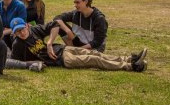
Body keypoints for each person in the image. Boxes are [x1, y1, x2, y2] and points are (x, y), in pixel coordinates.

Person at [9, 17, 147, 72]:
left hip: (63, 49)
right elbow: (17, 62)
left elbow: (55, 24)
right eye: (17, 32)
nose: (21, 33)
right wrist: (36, 63)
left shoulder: (34, 30)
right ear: (14, 34)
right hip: (61, 60)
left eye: (22, 29)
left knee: (95, 53)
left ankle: (130, 58)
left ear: (27, 25)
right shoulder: (18, 45)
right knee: (93, 60)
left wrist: (50, 42)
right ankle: (131, 66)